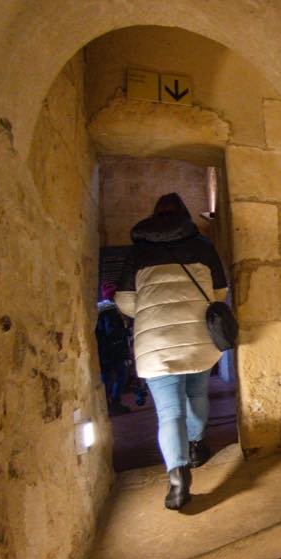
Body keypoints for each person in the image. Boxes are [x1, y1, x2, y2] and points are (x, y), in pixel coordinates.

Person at [114, 193, 229, 510]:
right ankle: (195, 446)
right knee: (197, 394)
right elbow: (220, 292)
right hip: (197, 337)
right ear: (184, 215)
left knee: (169, 414)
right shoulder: (203, 246)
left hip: (156, 342)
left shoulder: (138, 251)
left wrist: (152, 310)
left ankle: (177, 479)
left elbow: (124, 300)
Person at [95, 281, 131, 415]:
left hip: (103, 351)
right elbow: (112, 330)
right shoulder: (111, 311)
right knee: (121, 375)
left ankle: (106, 405)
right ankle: (114, 404)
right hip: (114, 351)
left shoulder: (99, 311)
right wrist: (125, 332)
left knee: (106, 378)